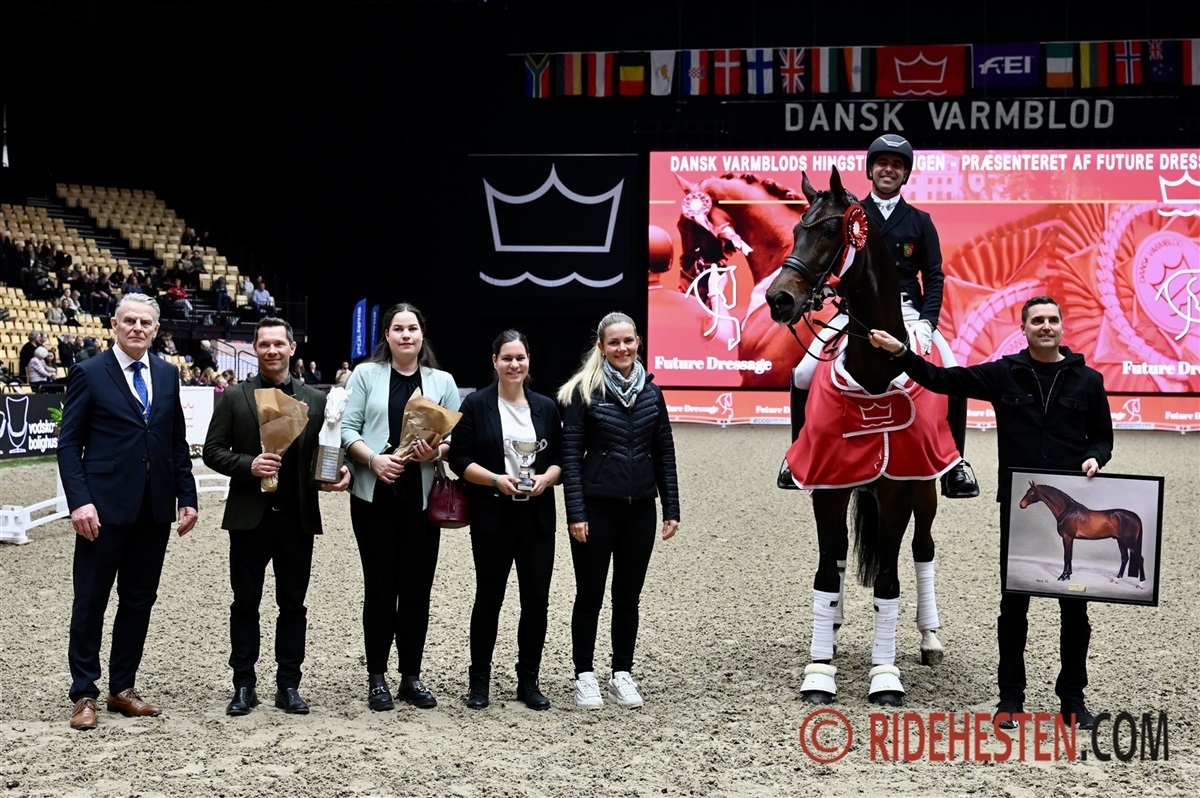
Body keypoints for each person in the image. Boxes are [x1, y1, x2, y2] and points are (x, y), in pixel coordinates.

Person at [868, 295, 1113, 731]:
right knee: (1013, 608)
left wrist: (1097, 457)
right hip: (1021, 512)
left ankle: (1073, 701)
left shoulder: (1089, 381)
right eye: (1037, 320)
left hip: (1072, 509)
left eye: (1052, 320)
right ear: (1024, 329)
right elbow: (941, 379)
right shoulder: (1004, 373)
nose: (1045, 326)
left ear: (1062, 327)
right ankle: (1011, 699)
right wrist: (901, 352)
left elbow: (1102, 438)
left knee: (1075, 612)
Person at [777, 134, 979, 499]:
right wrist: (827, 290)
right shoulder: (849, 216)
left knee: (952, 371)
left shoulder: (920, 221)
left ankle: (955, 466)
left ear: (905, 174)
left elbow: (934, 276)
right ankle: (796, 458)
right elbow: (832, 261)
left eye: (897, 165)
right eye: (882, 163)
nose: (889, 170)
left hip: (908, 311)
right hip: (854, 312)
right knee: (803, 372)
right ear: (870, 170)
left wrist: (927, 321)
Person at [57, 292, 199, 731]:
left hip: (153, 509)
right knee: (91, 601)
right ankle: (84, 692)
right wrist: (79, 501)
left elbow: (175, 440)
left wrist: (187, 496)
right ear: (114, 325)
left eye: (145, 323)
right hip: (101, 508)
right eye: (130, 321)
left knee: (138, 600)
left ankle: (122, 687)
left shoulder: (167, 373)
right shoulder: (89, 372)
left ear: (156, 330)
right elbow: (69, 444)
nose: (137, 328)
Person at [203, 316, 350, 717]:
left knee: (293, 606)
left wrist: (338, 471)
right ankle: (244, 685)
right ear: (255, 348)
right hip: (249, 518)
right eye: (264, 344)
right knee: (244, 604)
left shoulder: (316, 400)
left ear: (292, 348)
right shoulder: (235, 397)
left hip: (297, 519)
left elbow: (327, 450)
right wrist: (248, 464)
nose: (272, 350)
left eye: (278, 344)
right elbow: (212, 451)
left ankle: (289, 685)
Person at [340, 302, 461, 710]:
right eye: (398, 328)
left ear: (422, 334)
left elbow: (451, 438)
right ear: (387, 335)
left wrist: (435, 452)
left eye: (412, 328)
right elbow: (348, 430)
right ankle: (377, 678)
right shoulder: (365, 375)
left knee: (416, 590)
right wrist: (374, 460)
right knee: (379, 589)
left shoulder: (442, 381)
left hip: (421, 501)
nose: (406, 335)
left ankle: (411, 676)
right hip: (374, 497)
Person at [557, 311, 680, 710]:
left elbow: (664, 451)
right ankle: (584, 674)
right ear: (601, 346)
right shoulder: (583, 392)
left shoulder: (652, 393)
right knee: (589, 594)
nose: (622, 348)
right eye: (614, 342)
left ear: (638, 342)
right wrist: (576, 512)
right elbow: (571, 457)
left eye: (628, 340)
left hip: (640, 509)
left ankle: (622, 673)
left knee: (628, 596)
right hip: (595, 509)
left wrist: (671, 506)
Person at [448, 330, 562, 710]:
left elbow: (561, 458)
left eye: (520, 358)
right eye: (507, 358)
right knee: (488, 599)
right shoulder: (476, 404)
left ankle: (528, 680)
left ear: (529, 360)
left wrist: (547, 478)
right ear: (494, 361)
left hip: (537, 518)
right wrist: (496, 479)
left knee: (536, 603)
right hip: (493, 516)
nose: (515, 365)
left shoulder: (546, 407)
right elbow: (459, 459)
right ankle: (479, 681)